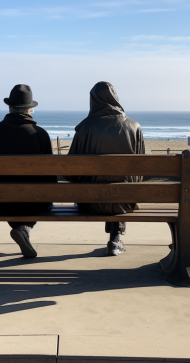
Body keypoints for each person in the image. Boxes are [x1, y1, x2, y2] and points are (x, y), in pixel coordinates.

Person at [65, 81, 145, 256]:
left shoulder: (84, 128)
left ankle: (115, 239)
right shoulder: (134, 126)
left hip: (90, 203)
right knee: (121, 188)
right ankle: (115, 239)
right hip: (125, 203)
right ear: (116, 98)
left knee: (107, 187)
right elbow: (142, 171)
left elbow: (69, 171)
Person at [0, 84, 55, 258]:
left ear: (10, 106)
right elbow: (51, 178)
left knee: (9, 196)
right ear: (29, 110)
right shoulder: (40, 134)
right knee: (43, 200)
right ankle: (24, 228)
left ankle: (21, 229)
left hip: (0, 200)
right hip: (35, 202)